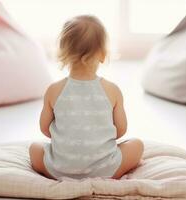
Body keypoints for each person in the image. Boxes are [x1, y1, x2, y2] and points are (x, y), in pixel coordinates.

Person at [29, 15, 144, 180]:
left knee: (35, 148)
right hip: (105, 170)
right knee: (137, 145)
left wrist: (69, 140)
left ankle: (64, 168)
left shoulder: (54, 90)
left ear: (63, 52)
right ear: (103, 54)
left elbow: (45, 129)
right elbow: (121, 130)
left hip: (59, 170)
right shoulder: (112, 90)